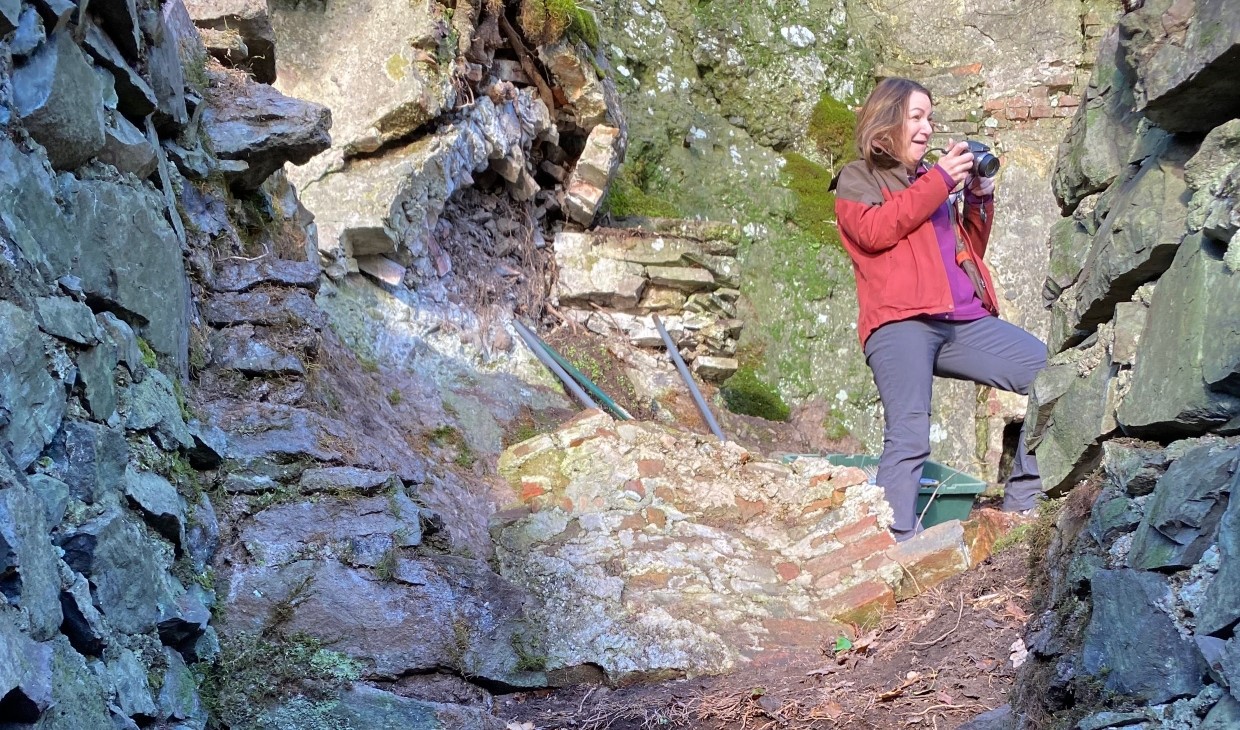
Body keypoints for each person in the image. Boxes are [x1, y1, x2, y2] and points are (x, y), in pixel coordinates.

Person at [832, 77, 1046, 542]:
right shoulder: (858, 178)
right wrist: (942, 179)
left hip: (962, 320)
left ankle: (1024, 506)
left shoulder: (930, 180)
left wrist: (978, 194)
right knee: (909, 435)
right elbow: (875, 231)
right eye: (916, 117)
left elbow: (969, 250)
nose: (927, 128)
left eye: (929, 117)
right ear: (886, 123)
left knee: (1054, 374)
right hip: (899, 321)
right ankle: (893, 544)